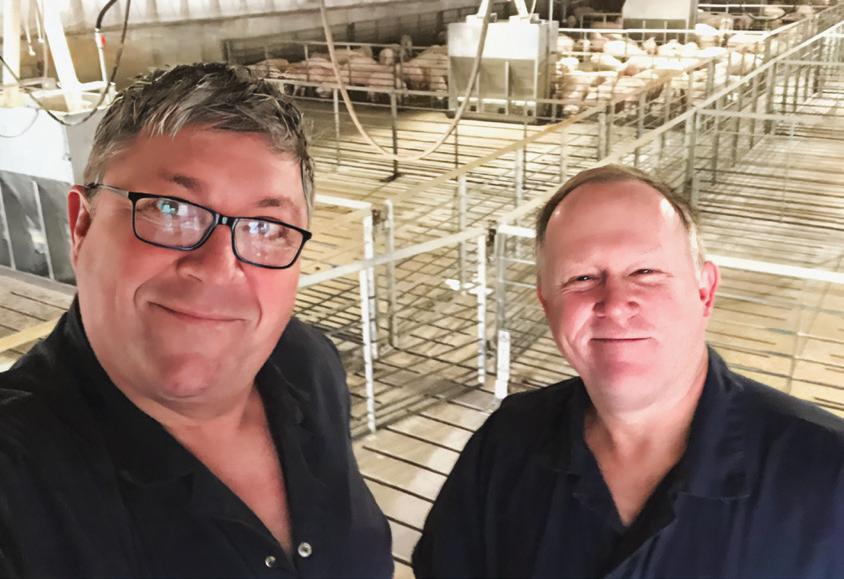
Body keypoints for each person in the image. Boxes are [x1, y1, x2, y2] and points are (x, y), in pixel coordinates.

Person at [0, 63, 392, 578]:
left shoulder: (307, 365)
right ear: (82, 226)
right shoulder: (19, 475)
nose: (217, 268)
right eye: (170, 209)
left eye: (266, 227)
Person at [413, 164, 844, 578]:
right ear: (547, 304)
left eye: (645, 272)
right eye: (581, 278)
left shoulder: (829, 472)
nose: (616, 304)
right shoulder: (506, 441)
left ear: (705, 291)